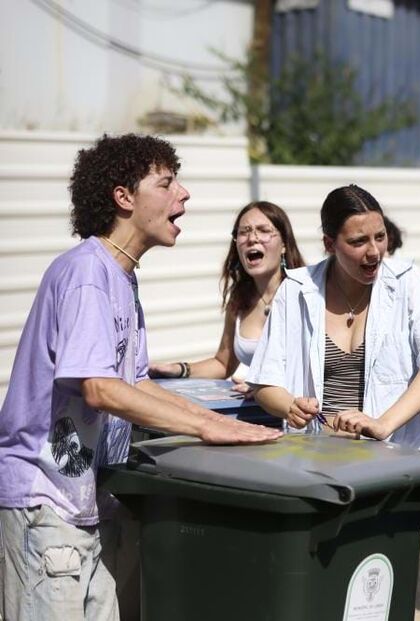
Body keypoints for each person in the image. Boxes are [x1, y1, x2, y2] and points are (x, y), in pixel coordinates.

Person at [0, 134, 281, 621]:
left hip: (85, 508)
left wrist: (218, 422)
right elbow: (100, 388)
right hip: (42, 506)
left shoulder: (121, 276)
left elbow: (136, 382)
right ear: (124, 197)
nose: (184, 194)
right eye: (168, 183)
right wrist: (206, 428)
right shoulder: (88, 274)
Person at [247, 184, 420, 449]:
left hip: (393, 457)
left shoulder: (408, 282)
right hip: (315, 455)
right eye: (358, 241)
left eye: (380, 237)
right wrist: (290, 406)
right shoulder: (296, 289)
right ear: (329, 244)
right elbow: (265, 382)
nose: (374, 252)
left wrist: (383, 424)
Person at [149, 202, 305, 387]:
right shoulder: (239, 299)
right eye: (244, 232)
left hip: (301, 411)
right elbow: (223, 364)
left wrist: (264, 388)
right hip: (255, 413)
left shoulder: (304, 294)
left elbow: (323, 365)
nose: (252, 238)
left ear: (284, 245)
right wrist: (178, 369)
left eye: (263, 230)